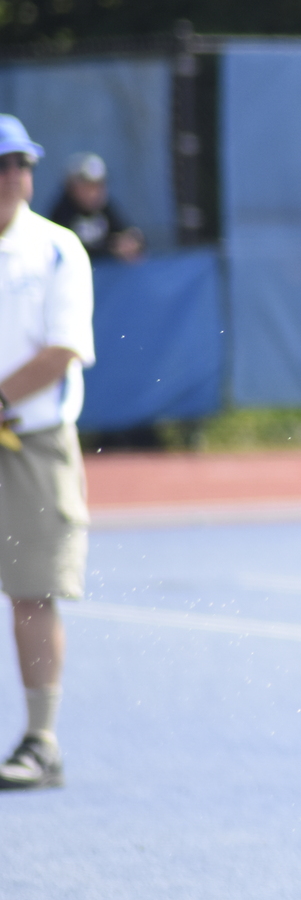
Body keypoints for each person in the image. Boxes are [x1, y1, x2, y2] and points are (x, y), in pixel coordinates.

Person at [0, 114, 95, 791]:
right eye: (2, 165)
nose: (13, 178)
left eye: (21, 164)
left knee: (32, 592)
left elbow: (62, 354)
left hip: (31, 444)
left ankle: (41, 741)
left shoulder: (58, 249)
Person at [49, 152, 145, 263]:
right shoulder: (61, 212)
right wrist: (109, 249)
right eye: (87, 186)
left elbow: (125, 234)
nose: (94, 193)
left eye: (99, 186)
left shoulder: (106, 208)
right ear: (71, 187)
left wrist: (131, 243)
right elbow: (64, 253)